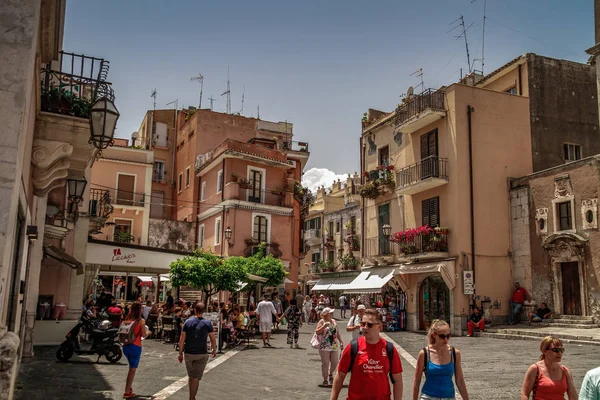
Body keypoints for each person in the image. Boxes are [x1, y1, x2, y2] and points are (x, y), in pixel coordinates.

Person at [331, 308, 403, 400]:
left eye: (369, 325)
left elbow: (397, 380)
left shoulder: (389, 349)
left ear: (380, 326)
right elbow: (340, 375)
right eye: (362, 324)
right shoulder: (353, 348)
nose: (365, 327)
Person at [413, 319, 469, 400]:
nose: (446, 339)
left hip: (449, 397)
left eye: (448, 336)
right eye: (442, 336)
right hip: (428, 397)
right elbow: (417, 380)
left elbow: (460, 380)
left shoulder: (455, 353)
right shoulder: (424, 353)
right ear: (434, 335)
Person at [178, 303, 217, 400]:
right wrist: (214, 349)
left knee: (191, 376)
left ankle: (192, 397)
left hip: (189, 353)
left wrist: (180, 352)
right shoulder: (207, 323)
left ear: (195, 310)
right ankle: (192, 397)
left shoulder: (187, 322)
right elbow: (212, 338)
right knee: (195, 377)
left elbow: (182, 338)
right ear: (204, 311)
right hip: (201, 353)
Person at [121, 302, 148, 399]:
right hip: (135, 346)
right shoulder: (141, 321)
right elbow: (144, 335)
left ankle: (129, 387)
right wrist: (148, 332)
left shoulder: (127, 320)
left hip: (126, 346)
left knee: (131, 367)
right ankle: (127, 391)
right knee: (132, 369)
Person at [315, 307, 344, 386]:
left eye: (332, 313)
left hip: (334, 345)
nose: (332, 314)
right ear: (326, 314)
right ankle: (325, 379)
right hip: (324, 346)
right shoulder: (322, 321)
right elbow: (317, 332)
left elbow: (337, 333)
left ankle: (330, 374)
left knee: (335, 362)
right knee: (325, 363)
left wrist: (341, 342)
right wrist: (324, 326)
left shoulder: (334, 321)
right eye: (330, 313)